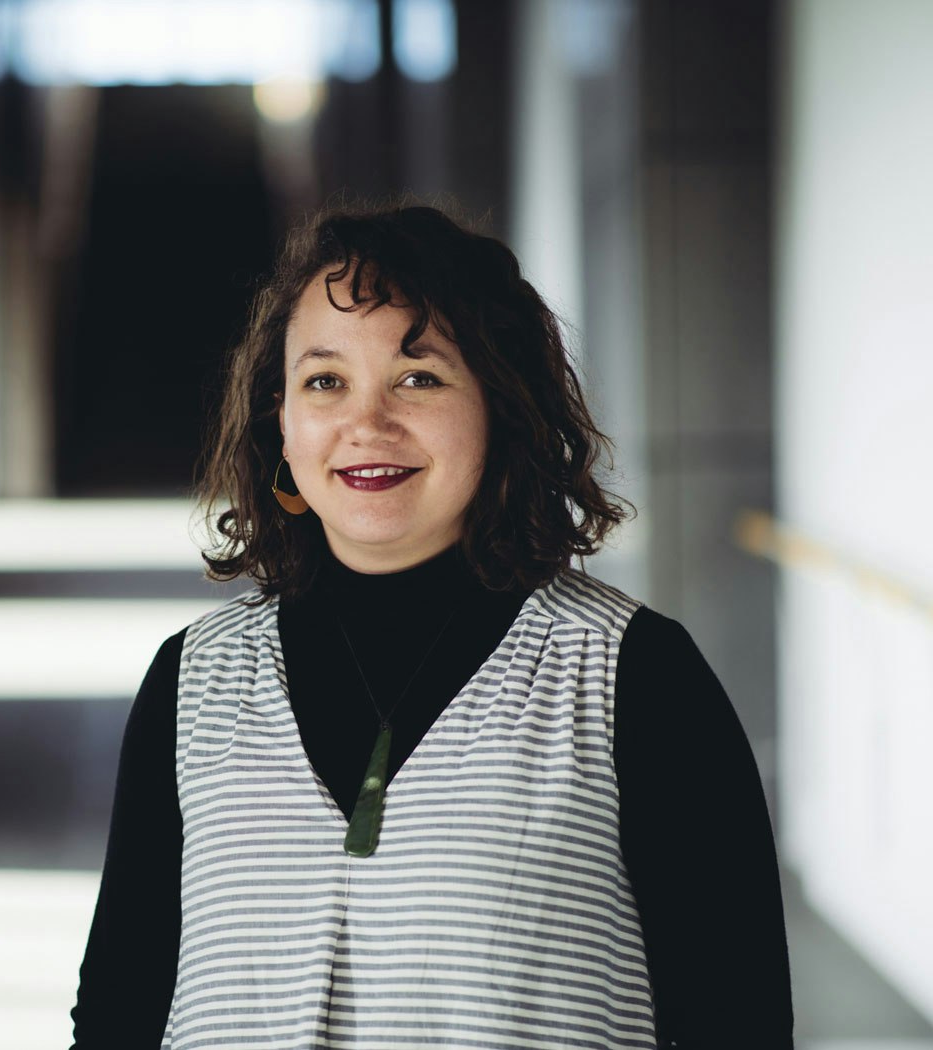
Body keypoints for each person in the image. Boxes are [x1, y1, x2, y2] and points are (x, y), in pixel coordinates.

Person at [69, 202, 793, 1048]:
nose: (366, 425)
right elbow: (120, 1007)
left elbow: (737, 1017)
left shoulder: (632, 675)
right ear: (281, 418)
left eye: (419, 377)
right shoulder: (195, 682)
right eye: (324, 380)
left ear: (501, 402)